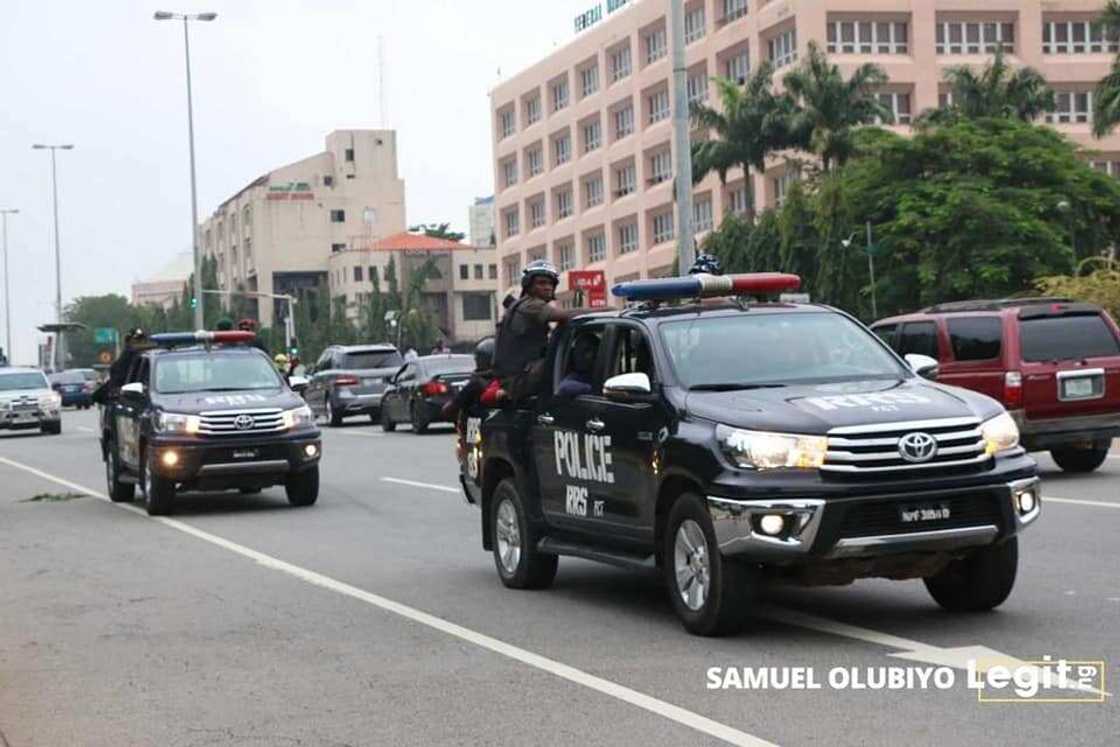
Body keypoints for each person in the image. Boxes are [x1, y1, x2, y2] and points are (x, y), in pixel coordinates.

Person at [492, 259, 599, 402]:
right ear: (528, 285)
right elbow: (564, 316)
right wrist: (609, 311)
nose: (548, 287)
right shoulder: (530, 305)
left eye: (551, 283)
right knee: (576, 359)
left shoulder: (520, 306)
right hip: (519, 382)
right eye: (541, 283)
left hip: (518, 379)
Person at [91, 328, 153, 405]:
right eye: (137, 341)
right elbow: (115, 385)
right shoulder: (129, 359)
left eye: (141, 341)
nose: (140, 343)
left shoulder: (148, 357)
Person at [441, 337, 496, 422]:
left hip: (477, 426)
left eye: (478, 358)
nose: (475, 360)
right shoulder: (508, 380)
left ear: (483, 360)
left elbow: (450, 408)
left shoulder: (476, 383)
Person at [555, 332, 598, 398]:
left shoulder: (607, 371)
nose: (580, 356)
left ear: (597, 352)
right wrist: (593, 389)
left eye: (587, 350)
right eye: (577, 351)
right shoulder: (578, 376)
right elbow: (563, 388)